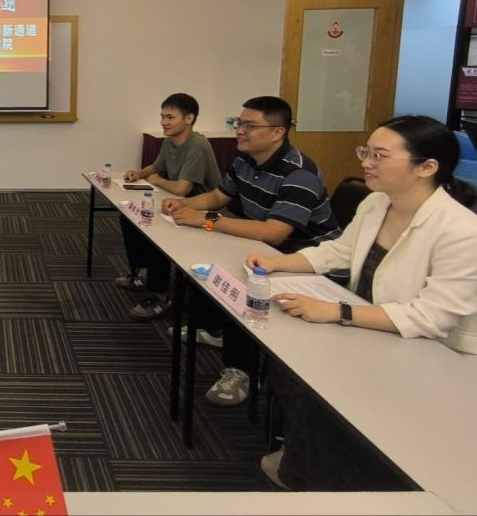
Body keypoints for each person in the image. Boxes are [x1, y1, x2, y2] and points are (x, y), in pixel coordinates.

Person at [245, 115, 477, 490]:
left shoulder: (462, 231)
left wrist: (338, 311)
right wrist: (278, 263)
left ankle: (326, 474)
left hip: (434, 352)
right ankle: (307, 459)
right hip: (372, 330)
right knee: (290, 365)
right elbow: (339, 251)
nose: (367, 163)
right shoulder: (376, 203)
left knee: (316, 380)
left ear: (427, 167)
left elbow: (432, 318)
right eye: (366, 152)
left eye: (380, 155)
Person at [162, 96, 341, 407]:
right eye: (238, 123)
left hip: (305, 261)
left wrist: (207, 220)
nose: (240, 131)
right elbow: (218, 196)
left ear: (277, 132)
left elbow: (275, 232)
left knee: (242, 285)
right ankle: (216, 329)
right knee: (203, 263)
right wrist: (182, 204)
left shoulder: (300, 173)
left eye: (249, 125)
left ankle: (243, 372)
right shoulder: (245, 159)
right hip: (261, 249)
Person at [116, 93, 221, 321]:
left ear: (189, 119)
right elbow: (156, 167)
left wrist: (158, 181)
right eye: (162, 116)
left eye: (170, 117)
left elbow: (182, 188)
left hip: (202, 210)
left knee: (156, 231)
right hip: (178, 205)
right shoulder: (169, 141)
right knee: (130, 217)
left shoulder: (198, 145)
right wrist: (139, 173)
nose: (164, 122)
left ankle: (160, 295)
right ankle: (142, 273)